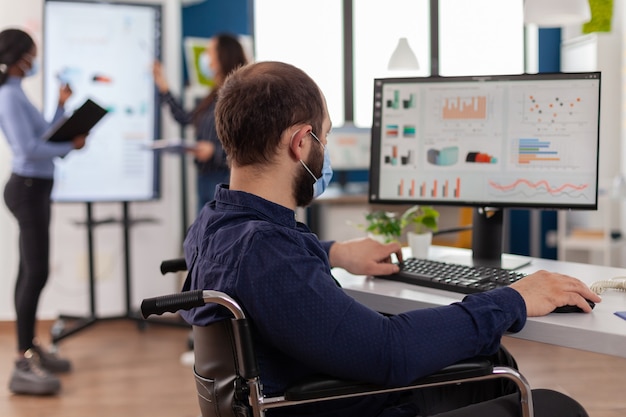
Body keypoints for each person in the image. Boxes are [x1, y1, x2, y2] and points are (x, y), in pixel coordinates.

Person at [180, 61, 600, 417]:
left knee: (489, 364)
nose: (323, 152)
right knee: (553, 406)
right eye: (323, 138)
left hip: (313, 392)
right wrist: (515, 297)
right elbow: (390, 352)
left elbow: (268, 274)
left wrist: (336, 253)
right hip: (351, 402)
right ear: (300, 142)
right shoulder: (267, 253)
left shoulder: (215, 225)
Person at [0, 28, 87, 396]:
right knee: (34, 273)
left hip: (37, 189)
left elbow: (44, 138)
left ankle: (30, 347)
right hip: (28, 189)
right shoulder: (7, 96)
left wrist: (61, 106)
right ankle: (22, 361)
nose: (35, 60)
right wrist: (71, 143)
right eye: (32, 54)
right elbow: (29, 149)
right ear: (20, 56)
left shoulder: (18, 93)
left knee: (30, 271)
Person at [152, 33, 248, 213]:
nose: (206, 58)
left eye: (210, 52)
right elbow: (186, 117)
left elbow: (247, 142)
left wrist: (214, 152)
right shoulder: (214, 94)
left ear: (223, 55)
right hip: (206, 178)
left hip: (226, 179)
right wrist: (163, 85)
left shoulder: (239, 96)